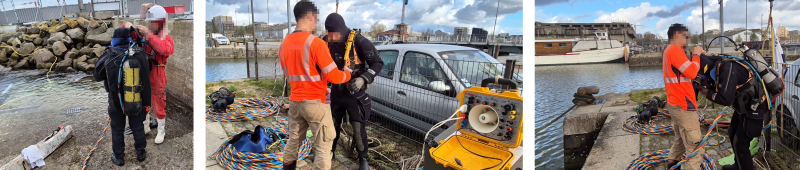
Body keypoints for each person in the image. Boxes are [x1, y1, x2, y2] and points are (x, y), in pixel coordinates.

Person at [279, 1, 352, 170]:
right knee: (323, 146)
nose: (316, 23)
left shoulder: (283, 45)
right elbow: (334, 76)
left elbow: (289, 74)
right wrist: (347, 73)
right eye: (316, 19)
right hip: (316, 103)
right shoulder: (316, 43)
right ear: (311, 16)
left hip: (295, 102)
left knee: (293, 141)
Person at [322, 13, 384, 170]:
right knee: (332, 124)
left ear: (342, 30)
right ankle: (329, 152)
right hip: (336, 92)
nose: (332, 37)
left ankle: (363, 159)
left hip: (354, 93)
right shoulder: (326, 41)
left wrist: (363, 78)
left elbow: (377, 63)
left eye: (335, 34)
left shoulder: (360, 41)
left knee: (357, 127)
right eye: (330, 33)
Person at [697, 51, 767, 170]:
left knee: (741, 144)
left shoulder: (727, 69)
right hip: (743, 106)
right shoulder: (720, 67)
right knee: (732, 131)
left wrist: (708, 93)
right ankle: (738, 165)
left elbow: (726, 99)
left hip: (755, 107)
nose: (704, 83)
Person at [94, 27, 152, 166]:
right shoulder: (140, 52)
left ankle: (119, 157)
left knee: (117, 129)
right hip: (136, 97)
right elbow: (148, 71)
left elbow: (97, 75)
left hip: (116, 100)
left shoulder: (109, 53)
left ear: (115, 38)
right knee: (138, 127)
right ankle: (141, 153)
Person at [122, 4, 175, 144]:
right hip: (144, 73)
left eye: (153, 22)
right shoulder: (145, 33)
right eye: (149, 22)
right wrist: (127, 25)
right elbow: (128, 32)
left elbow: (165, 50)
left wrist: (148, 35)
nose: (150, 24)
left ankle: (161, 131)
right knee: (143, 102)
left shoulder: (166, 37)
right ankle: (145, 126)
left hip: (158, 75)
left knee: (158, 103)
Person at [662, 23, 704, 170]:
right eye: (685, 37)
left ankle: (672, 164)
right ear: (676, 35)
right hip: (684, 105)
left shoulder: (667, 50)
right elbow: (692, 72)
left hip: (674, 103)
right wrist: (696, 55)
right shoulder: (675, 50)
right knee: (694, 147)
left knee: (680, 139)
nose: (687, 40)